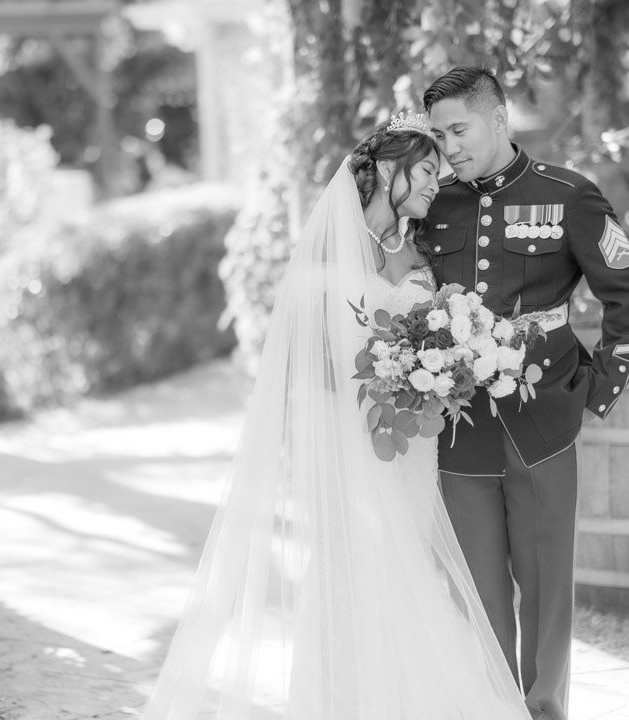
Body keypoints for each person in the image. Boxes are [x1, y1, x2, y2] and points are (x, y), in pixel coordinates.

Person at [139, 112, 532, 719]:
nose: (436, 183)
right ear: (385, 170)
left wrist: (441, 368)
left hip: (413, 444)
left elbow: (435, 331)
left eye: (439, 172)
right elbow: (308, 362)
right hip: (351, 442)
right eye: (426, 171)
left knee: (412, 570)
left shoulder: (413, 248)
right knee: (355, 575)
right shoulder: (326, 253)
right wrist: (388, 374)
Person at [421, 67, 629, 720]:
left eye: (459, 129)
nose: (450, 147)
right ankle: (493, 710)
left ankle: (545, 711)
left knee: (547, 589)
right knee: (477, 590)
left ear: (498, 120)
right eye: (439, 136)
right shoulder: (432, 204)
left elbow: (627, 298)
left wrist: (596, 393)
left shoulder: (568, 196)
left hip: (544, 422)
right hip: (459, 429)